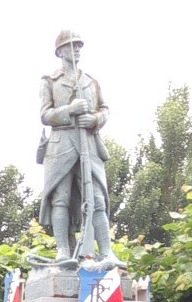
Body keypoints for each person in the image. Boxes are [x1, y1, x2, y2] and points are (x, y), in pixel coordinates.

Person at [38, 30, 123, 267]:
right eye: (71, 46)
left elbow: (104, 109)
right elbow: (45, 115)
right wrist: (70, 110)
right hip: (61, 145)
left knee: (97, 198)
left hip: (89, 144)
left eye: (78, 46)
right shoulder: (50, 81)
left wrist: (95, 120)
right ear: (60, 51)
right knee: (60, 199)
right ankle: (63, 250)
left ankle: (106, 252)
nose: (76, 50)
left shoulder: (90, 82)